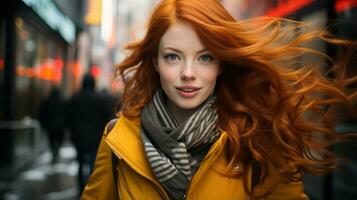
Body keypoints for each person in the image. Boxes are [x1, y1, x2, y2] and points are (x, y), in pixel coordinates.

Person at [81, 0, 356, 199]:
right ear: (155, 62)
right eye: (173, 56)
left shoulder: (258, 140)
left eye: (205, 57)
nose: (188, 73)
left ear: (221, 64)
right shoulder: (117, 140)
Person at [67, 73, 114, 194]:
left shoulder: (75, 98)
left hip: (79, 137)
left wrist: (71, 132)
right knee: (93, 164)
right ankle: (91, 188)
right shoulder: (100, 99)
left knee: (80, 163)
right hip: (95, 137)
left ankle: (80, 188)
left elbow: (69, 118)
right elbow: (107, 117)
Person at [39, 87, 67, 164]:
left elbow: (42, 113)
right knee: (59, 139)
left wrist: (43, 124)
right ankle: (56, 152)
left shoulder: (46, 101)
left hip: (50, 126)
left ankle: (53, 153)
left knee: (51, 139)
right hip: (60, 126)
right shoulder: (63, 101)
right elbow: (67, 114)